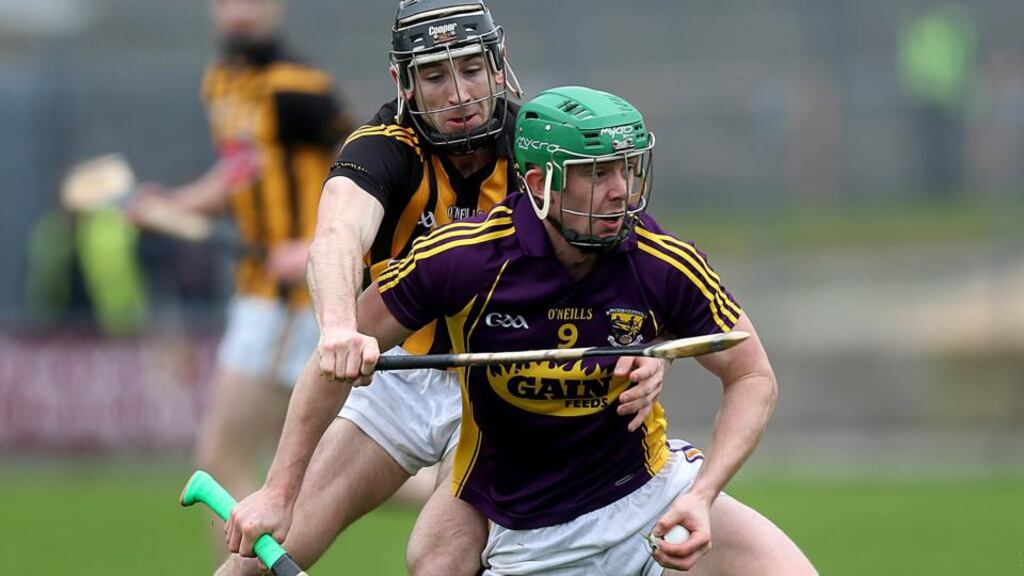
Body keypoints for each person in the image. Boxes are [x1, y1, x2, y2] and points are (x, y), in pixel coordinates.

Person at [229, 86, 818, 575]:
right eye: (598, 174)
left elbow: (751, 374)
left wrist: (702, 494)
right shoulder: (461, 259)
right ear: (539, 185)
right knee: (431, 556)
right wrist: (280, 488)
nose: (622, 191)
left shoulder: (658, 257)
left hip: (651, 496)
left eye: (628, 170)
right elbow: (333, 353)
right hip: (528, 539)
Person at [217, 3, 666, 575]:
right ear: (404, 83)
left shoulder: (543, 148)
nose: (458, 93)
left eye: (472, 69)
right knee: (269, 546)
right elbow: (335, 235)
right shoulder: (384, 148)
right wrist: (335, 325)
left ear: (500, 67)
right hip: (397, 375)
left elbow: (629, 259)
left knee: (442, 556)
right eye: (434, 75)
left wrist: (650, 355)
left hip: (505, 384)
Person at [134, 0, 350, 559]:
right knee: (340, 457)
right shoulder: (222, 84)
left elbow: (368, 170)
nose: (241, 9)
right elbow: (242, 174)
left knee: (224, 453)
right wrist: (174, 205)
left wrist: (310, 246)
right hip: (257, 297)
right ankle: (455, 491)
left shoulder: (299, 87)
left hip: (295, 299)